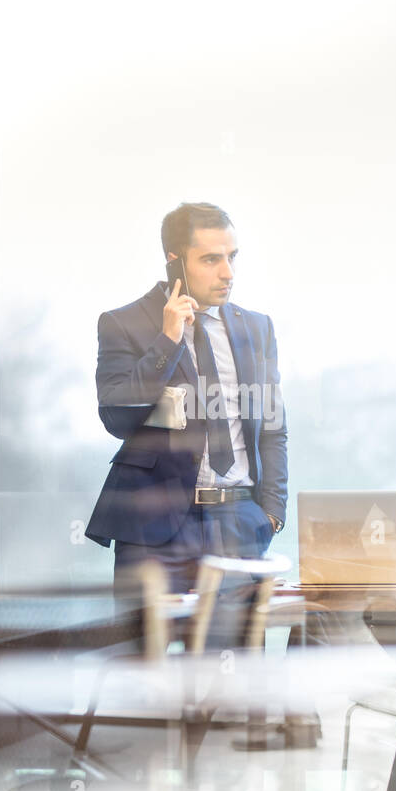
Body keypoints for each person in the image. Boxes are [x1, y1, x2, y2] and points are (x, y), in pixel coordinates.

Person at [85, 202, 288, 606]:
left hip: (241, 525)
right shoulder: (122, 323)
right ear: (174, 262)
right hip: (155, 531)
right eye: (211, 259)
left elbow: (272, 425)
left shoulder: (256, 327)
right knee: (146, 660)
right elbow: (118, 416)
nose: (227, 273)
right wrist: (168, 340)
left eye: (232, 258)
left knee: (238, 660)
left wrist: (271, 512)